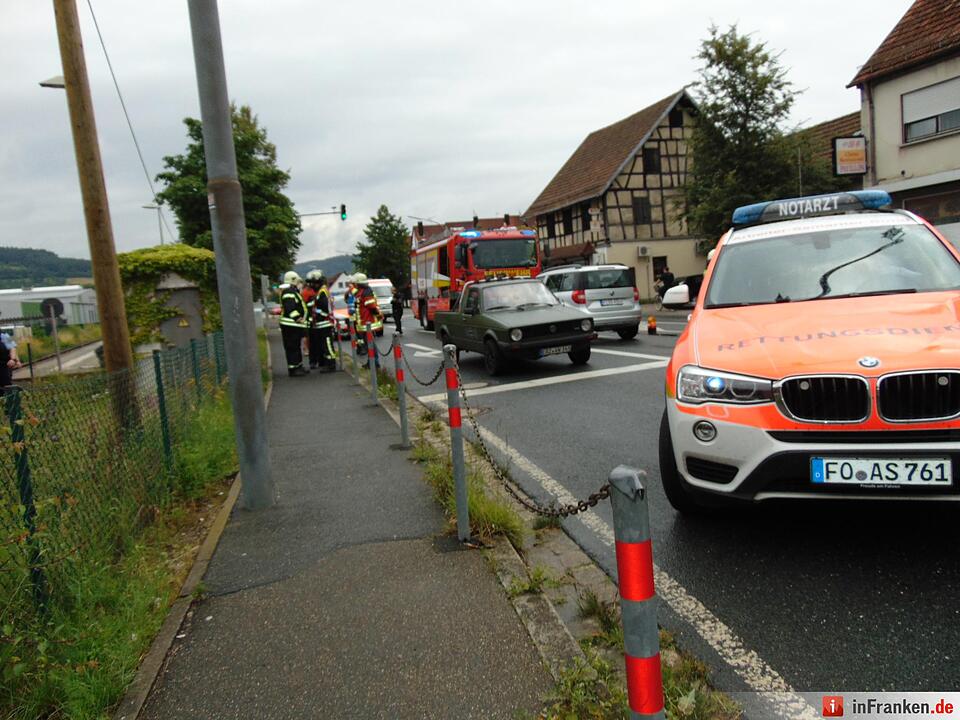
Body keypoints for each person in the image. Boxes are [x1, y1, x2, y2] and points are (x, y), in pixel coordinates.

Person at [305, 270, 337, 372]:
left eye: (312, 283)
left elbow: (325, 309)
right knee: (324, 344)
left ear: (318, 282)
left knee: (327, 344)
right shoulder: (320, 291)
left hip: (325, 323)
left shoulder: (322, 292)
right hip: (321, 323)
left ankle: (331, 365)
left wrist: (319, 316)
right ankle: (327, 363)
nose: (311, 285)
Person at [279, 271, 309, 376]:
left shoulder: (292, 291)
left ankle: (298, 366)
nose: (299, 283)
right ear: (293, 280)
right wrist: (297, 318)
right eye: (297, 281)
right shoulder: (288, 292)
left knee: (296, 346)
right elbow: (290, 307)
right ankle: (294, 369)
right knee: (292, 347)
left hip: (293, 325)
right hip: (290, 325)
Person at [354, 273, 383, 368]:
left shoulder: (366, 292)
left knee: (370, 343)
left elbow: (372, 307)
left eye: (355, 283)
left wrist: (378, 315)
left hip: (368, 322)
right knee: (368, 343)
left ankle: (374, 362)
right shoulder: (361, 291)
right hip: (364, 322)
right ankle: (371, 361)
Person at [1, 323, 22, 391]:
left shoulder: (5, 336)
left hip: (4, 366)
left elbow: (12, 348)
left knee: (6, 386)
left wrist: (14, 360)